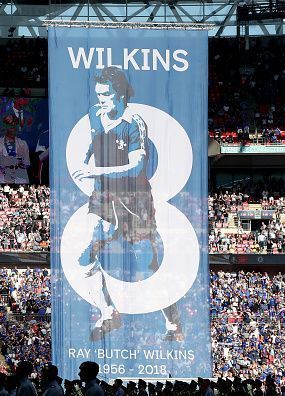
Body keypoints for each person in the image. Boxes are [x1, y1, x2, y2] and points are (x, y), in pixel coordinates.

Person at [71, 66, 183, 341]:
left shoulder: (134, 122)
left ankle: (173, 322)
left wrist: (96, 171)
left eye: (106, 95)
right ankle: (109, 312)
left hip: (135, 200)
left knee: (147, 265)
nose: (101, 100)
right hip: (104, 196)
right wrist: (84, 162)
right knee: (85, 255)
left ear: (119, 94)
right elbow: (94, 143)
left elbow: (136, 167)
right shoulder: (94, 115)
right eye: (98, 94)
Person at [0, 114, 30, 184]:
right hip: (1, 177)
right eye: (11, 126)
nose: (13, 129)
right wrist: (5, 162)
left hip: (20, 176)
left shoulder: (23, 143)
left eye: (15, 126)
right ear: (5, 126)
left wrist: (18, 162)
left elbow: (27, 163)